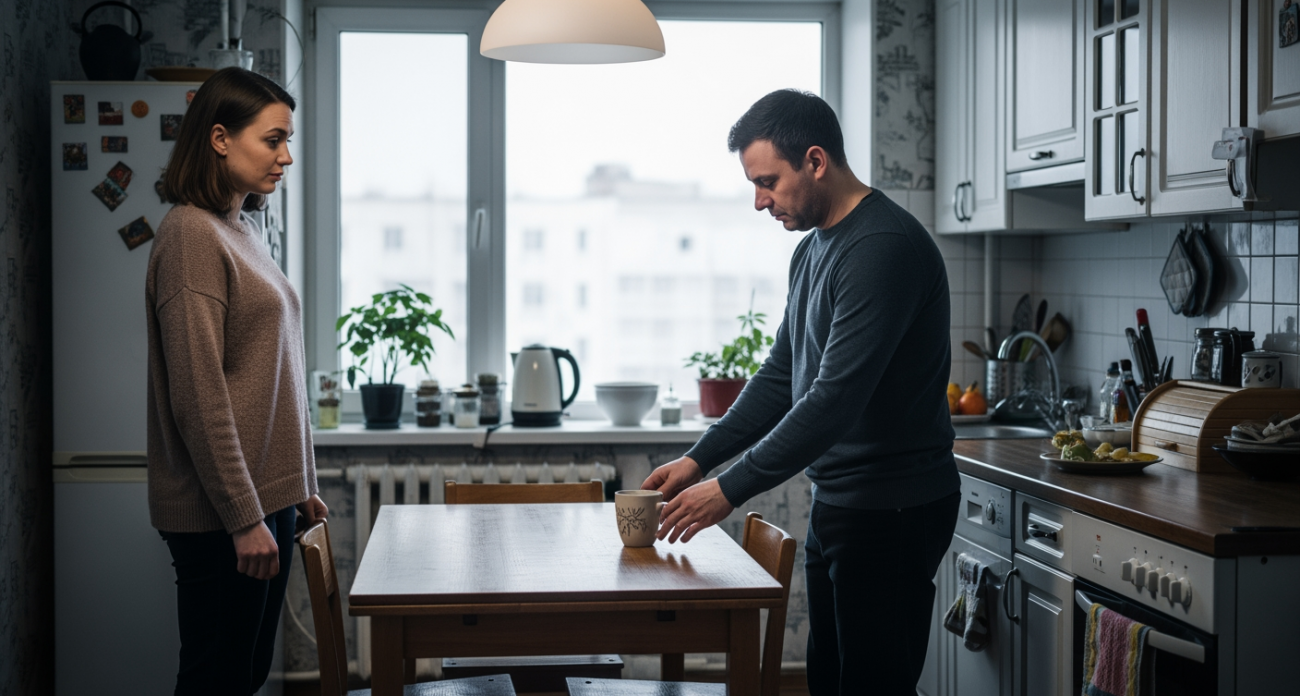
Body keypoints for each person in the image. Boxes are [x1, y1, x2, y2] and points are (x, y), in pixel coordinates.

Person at [642, 89, 960, 696]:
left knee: (872, 686)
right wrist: (698, 459)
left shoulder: (881, 248)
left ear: (815, 161)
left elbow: (832, 401)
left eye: (768, 182)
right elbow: (782, 376)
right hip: (842, 500)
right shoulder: (813, 250)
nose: (759, 201)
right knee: (828, 677)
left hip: (894, 509)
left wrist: (728, 489)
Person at [146, 67, 327, 695]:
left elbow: (276, 367)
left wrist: (300, 482)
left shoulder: (241, 228)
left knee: (243, 676)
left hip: (263, 500)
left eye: (287, 140)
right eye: (273, 140)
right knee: (215, 682)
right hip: (224, 514)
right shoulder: (191, 236)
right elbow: (199, 397)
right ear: (220, 138)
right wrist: (245, 518)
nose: (286, 157)